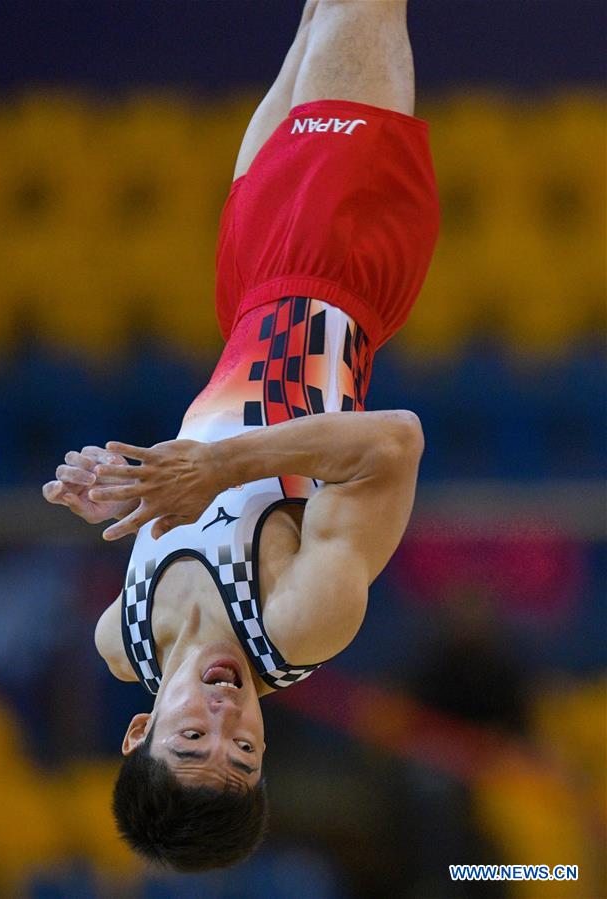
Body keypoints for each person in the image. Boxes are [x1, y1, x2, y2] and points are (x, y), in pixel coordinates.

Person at [42, 0, 439, 873]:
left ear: (140, 728)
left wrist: (110, 490)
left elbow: (176, 511)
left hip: (248, 289)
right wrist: (217, 467)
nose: (226, 720)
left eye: (192, 737)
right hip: (342, 259)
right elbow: (397, 443)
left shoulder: (122, 637)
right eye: (248, 753)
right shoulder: (301, 622)